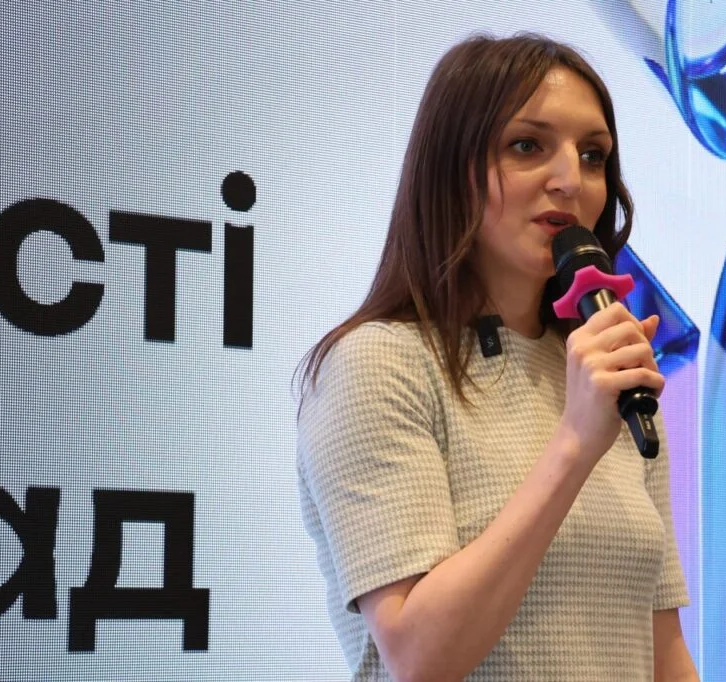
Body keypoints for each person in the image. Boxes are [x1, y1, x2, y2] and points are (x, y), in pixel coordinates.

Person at [296, 33, 699, 681]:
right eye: (527, 146)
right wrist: (575, 442)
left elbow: (663, 652)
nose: (570, 180)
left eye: (593, 155)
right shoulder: (376, 365)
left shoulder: (605, 374)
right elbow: (420, 657)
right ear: (451, 167)